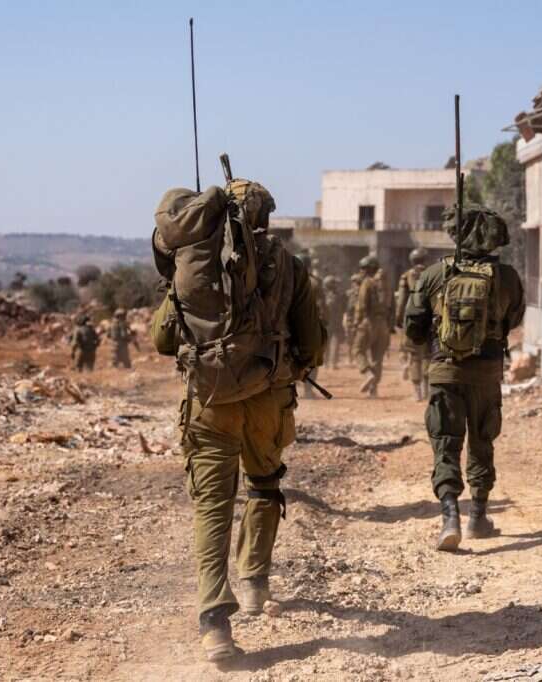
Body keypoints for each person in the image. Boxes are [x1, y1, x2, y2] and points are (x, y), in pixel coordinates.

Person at [150, 179, 325, 662]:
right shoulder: (288, 265)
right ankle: (254, 583)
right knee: (265, 484)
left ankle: (215, 624)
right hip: (267, 398)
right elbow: (312, 342)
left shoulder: (194, 262)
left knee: (212, 505)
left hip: (210, 400)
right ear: (265, 217)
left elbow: (163, 341)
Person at [404, 204, 524, 552]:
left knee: (446, 442)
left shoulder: (433, 274)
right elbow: (513, 320)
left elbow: (412, 328)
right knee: (482, 440)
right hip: (487, 373)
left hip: (445, 371)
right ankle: (479, 517)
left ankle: (450, 516)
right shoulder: (508, 277)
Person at [353, 255, 391, 398]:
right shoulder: (386, 284)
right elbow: (392, 306)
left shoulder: (367, 283)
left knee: (357, 349)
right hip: (384, 324)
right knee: (377, 357)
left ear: (368, 269)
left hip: (369, 322)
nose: (361, 271)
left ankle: (367, 373)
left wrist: (357, 322)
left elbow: (361, 306)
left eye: (363, 268)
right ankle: (373, 390)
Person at [396, 247, 430, 401]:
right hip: (431, 320)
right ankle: (427, 389)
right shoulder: (435, 273)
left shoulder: (407, 276)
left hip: (413, 319)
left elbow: (402, 300)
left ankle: (417, 392)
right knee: (428, 355)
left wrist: (398, 318)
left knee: (415, 355)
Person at [297, 252, 327, 399]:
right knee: (313, 358)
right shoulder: (316, 282)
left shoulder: (289, 280)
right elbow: (323, 305)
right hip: (312, 325)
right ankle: (308, 390)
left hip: (292, 326)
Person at [323, 275, 347, 370]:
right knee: (333, 343)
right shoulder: (338, 296)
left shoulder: (325, 296)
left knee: (328, 344)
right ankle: (332, 363)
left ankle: (327, 363)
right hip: (335, 323)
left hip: (328, 323)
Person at [343, 272, 364, 366]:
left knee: (360, 341)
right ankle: (350, 358)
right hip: (350, 320)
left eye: (356, 282)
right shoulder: (349, 294)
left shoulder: (362, 293)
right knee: (350, 341)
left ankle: (357, 359)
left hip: (359, 320)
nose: (354, 284)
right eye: (353, 282)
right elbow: (345, 307)